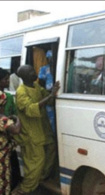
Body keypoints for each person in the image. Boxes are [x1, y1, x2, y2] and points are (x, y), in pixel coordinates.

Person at [12, 65, 60, 194]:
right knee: (35, 162)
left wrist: (51, 95)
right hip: (31, 133)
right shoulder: (21, 92)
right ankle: (25, 189)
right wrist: (49, 96)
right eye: (31, 72)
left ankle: (40, 179)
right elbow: (30, 109)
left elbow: (48, 99)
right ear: (24, 76)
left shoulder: (36, 86)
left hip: (43, 129)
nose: (35, 72)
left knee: (51, 150)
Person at [0, 68, 22, 190]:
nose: (7, 81)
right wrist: (15, 120)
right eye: (5, 79)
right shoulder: (2, 119)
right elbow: (16, 129)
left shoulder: (8, 96)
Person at [38, 50, 56, 133]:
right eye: (49, 58)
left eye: (52, 58)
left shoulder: (59, 68)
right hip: (48, 95)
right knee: (50, 119)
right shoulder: (44, 69)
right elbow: (41, 83)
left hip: (57, 94)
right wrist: (48, 91)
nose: (51, 60)